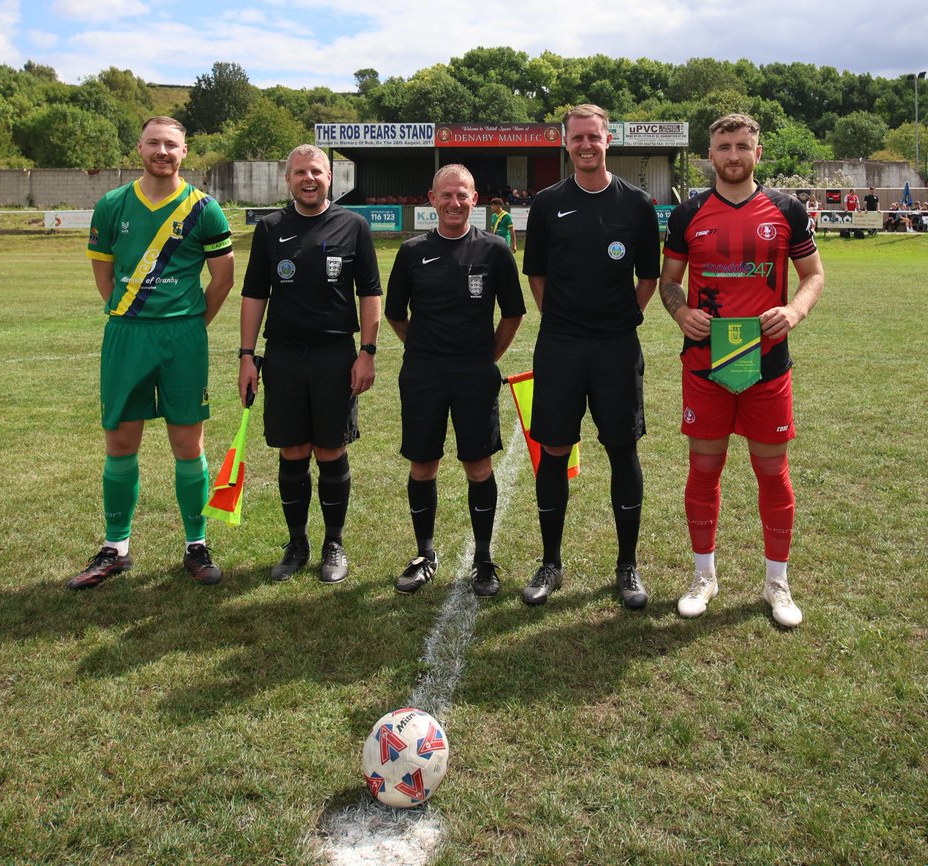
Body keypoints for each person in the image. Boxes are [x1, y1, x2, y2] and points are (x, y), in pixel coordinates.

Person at [658, 113, 825, 628]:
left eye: (742, 146)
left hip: (766, 365)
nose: (733, 155)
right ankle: (704, 576)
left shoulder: (787, 210)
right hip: (706, 364)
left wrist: (794, 312)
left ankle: (777, 582)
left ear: (758, 152)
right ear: (709, 155)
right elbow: (668, 282)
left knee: (772, 472)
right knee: (704, 470)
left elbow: (814, 274)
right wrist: (682, 312)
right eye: (724, 147)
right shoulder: (688, 214)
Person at [69, 116, 235, 590]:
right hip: (127, 335)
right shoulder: (111, 205)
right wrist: (126, 311)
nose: (163, 152)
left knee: (189, 445)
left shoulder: (205, 209)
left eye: (172, 145)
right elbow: (104, 275)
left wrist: (190, 325)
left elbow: (221, 280)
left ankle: (196, 545)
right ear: (138, 147)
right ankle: (116, 548)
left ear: (186, 152)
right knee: (120, 443)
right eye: (154, 143)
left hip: (183, 338)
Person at [520, 103, 661, 609]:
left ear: (609, 140)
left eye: (593, 137)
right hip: (560, 345)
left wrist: (625, 317)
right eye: (577, 138)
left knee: (623, 448)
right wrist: (559, 318)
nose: (585, 145)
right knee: (554, 449)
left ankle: (627, 566)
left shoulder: (637, 204)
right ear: (566, 142)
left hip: (616, 347)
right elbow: (536, 273)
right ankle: (551, 563)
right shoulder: (546, 204)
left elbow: (649, 275)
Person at [239, 144, 382, 584]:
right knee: (292, 451)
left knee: (331, 450)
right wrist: (247, 356)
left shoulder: (353, 226)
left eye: (317, 171)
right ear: (288, 179)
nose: (309, 179)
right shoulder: (269, 229)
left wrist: (367, 352)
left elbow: (370, 294)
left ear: (330, 178)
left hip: (335, 356)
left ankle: (333, 543)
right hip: (282, 356)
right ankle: (297, 542)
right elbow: (254, 296)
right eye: (300, 172)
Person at [385, 165, 525, 596]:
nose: (454, 203)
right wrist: (427, 349)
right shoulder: (411, 252)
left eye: (462, 195)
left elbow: (513, 312)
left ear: (475, 198)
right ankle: (424, 554)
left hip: (474, 373)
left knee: (478, 466)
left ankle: (483, 560)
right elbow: (395, 313)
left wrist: (485, 356)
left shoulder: (495, 249)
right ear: (431, 199)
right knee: (423, 463)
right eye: (446, 195)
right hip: (424, 374)